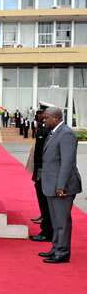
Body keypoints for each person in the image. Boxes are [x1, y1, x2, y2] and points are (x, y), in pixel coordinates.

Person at [38, 107, 82, 263]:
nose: (44, 120)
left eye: (46, 118)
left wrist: (61, 186)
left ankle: (63, 252)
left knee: (62, 221)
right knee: (56, 220)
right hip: (52, 184)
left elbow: (67, 163)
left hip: (62, 186)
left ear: (55, 118)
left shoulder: (66, 134)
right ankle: (56, 247)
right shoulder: (54, 132)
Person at [29, 102, 53, 242]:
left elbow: (44, 155)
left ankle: (47, 231)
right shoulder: (42, 129)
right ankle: (46, 226)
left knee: (45, 202)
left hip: (43, 172)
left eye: (41, 114)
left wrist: (39, 173)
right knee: (43, 201)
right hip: (40, 171)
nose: (38, 116)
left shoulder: (46, 130)